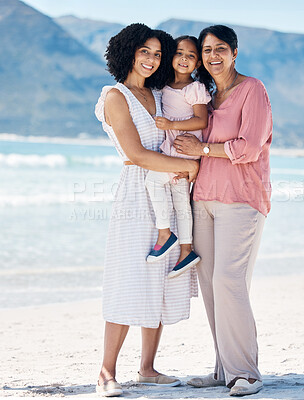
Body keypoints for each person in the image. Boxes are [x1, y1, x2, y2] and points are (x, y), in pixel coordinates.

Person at [94, 23, 199, 397]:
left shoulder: (158, 93)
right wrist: (187, 167)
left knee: (161, 277)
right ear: (128, 52)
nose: (152, 60)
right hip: (137, 193)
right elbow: (136, 154)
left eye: (158, 53)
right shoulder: (115, 96)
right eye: (145, 52)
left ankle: (148, 368)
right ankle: (106, 372)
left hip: (170, 191)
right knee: (128, 277)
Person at [174, 25, 273, 396]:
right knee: (211, 286)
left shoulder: (253, 90)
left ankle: (246, 372)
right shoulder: (208, 96)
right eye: (206, 51)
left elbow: (249, 147)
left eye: (220, 49)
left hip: (242, 200)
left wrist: (199, 150)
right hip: (203, 200)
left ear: (234, 52)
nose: (212, 56)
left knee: (229, 282)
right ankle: (223, 369)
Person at [145, 35, 211, 279]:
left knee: (152, 181)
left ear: (198, 64)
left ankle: (165, 233)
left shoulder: (195, 88)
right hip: (172, 151)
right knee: (182, 204)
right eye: (180, 53)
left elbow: (201, 120)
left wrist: (171, 123)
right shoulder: (163, 86)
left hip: (183, 150)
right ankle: (186, 250)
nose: (184, 59)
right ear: (172, 56)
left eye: (191, 56)